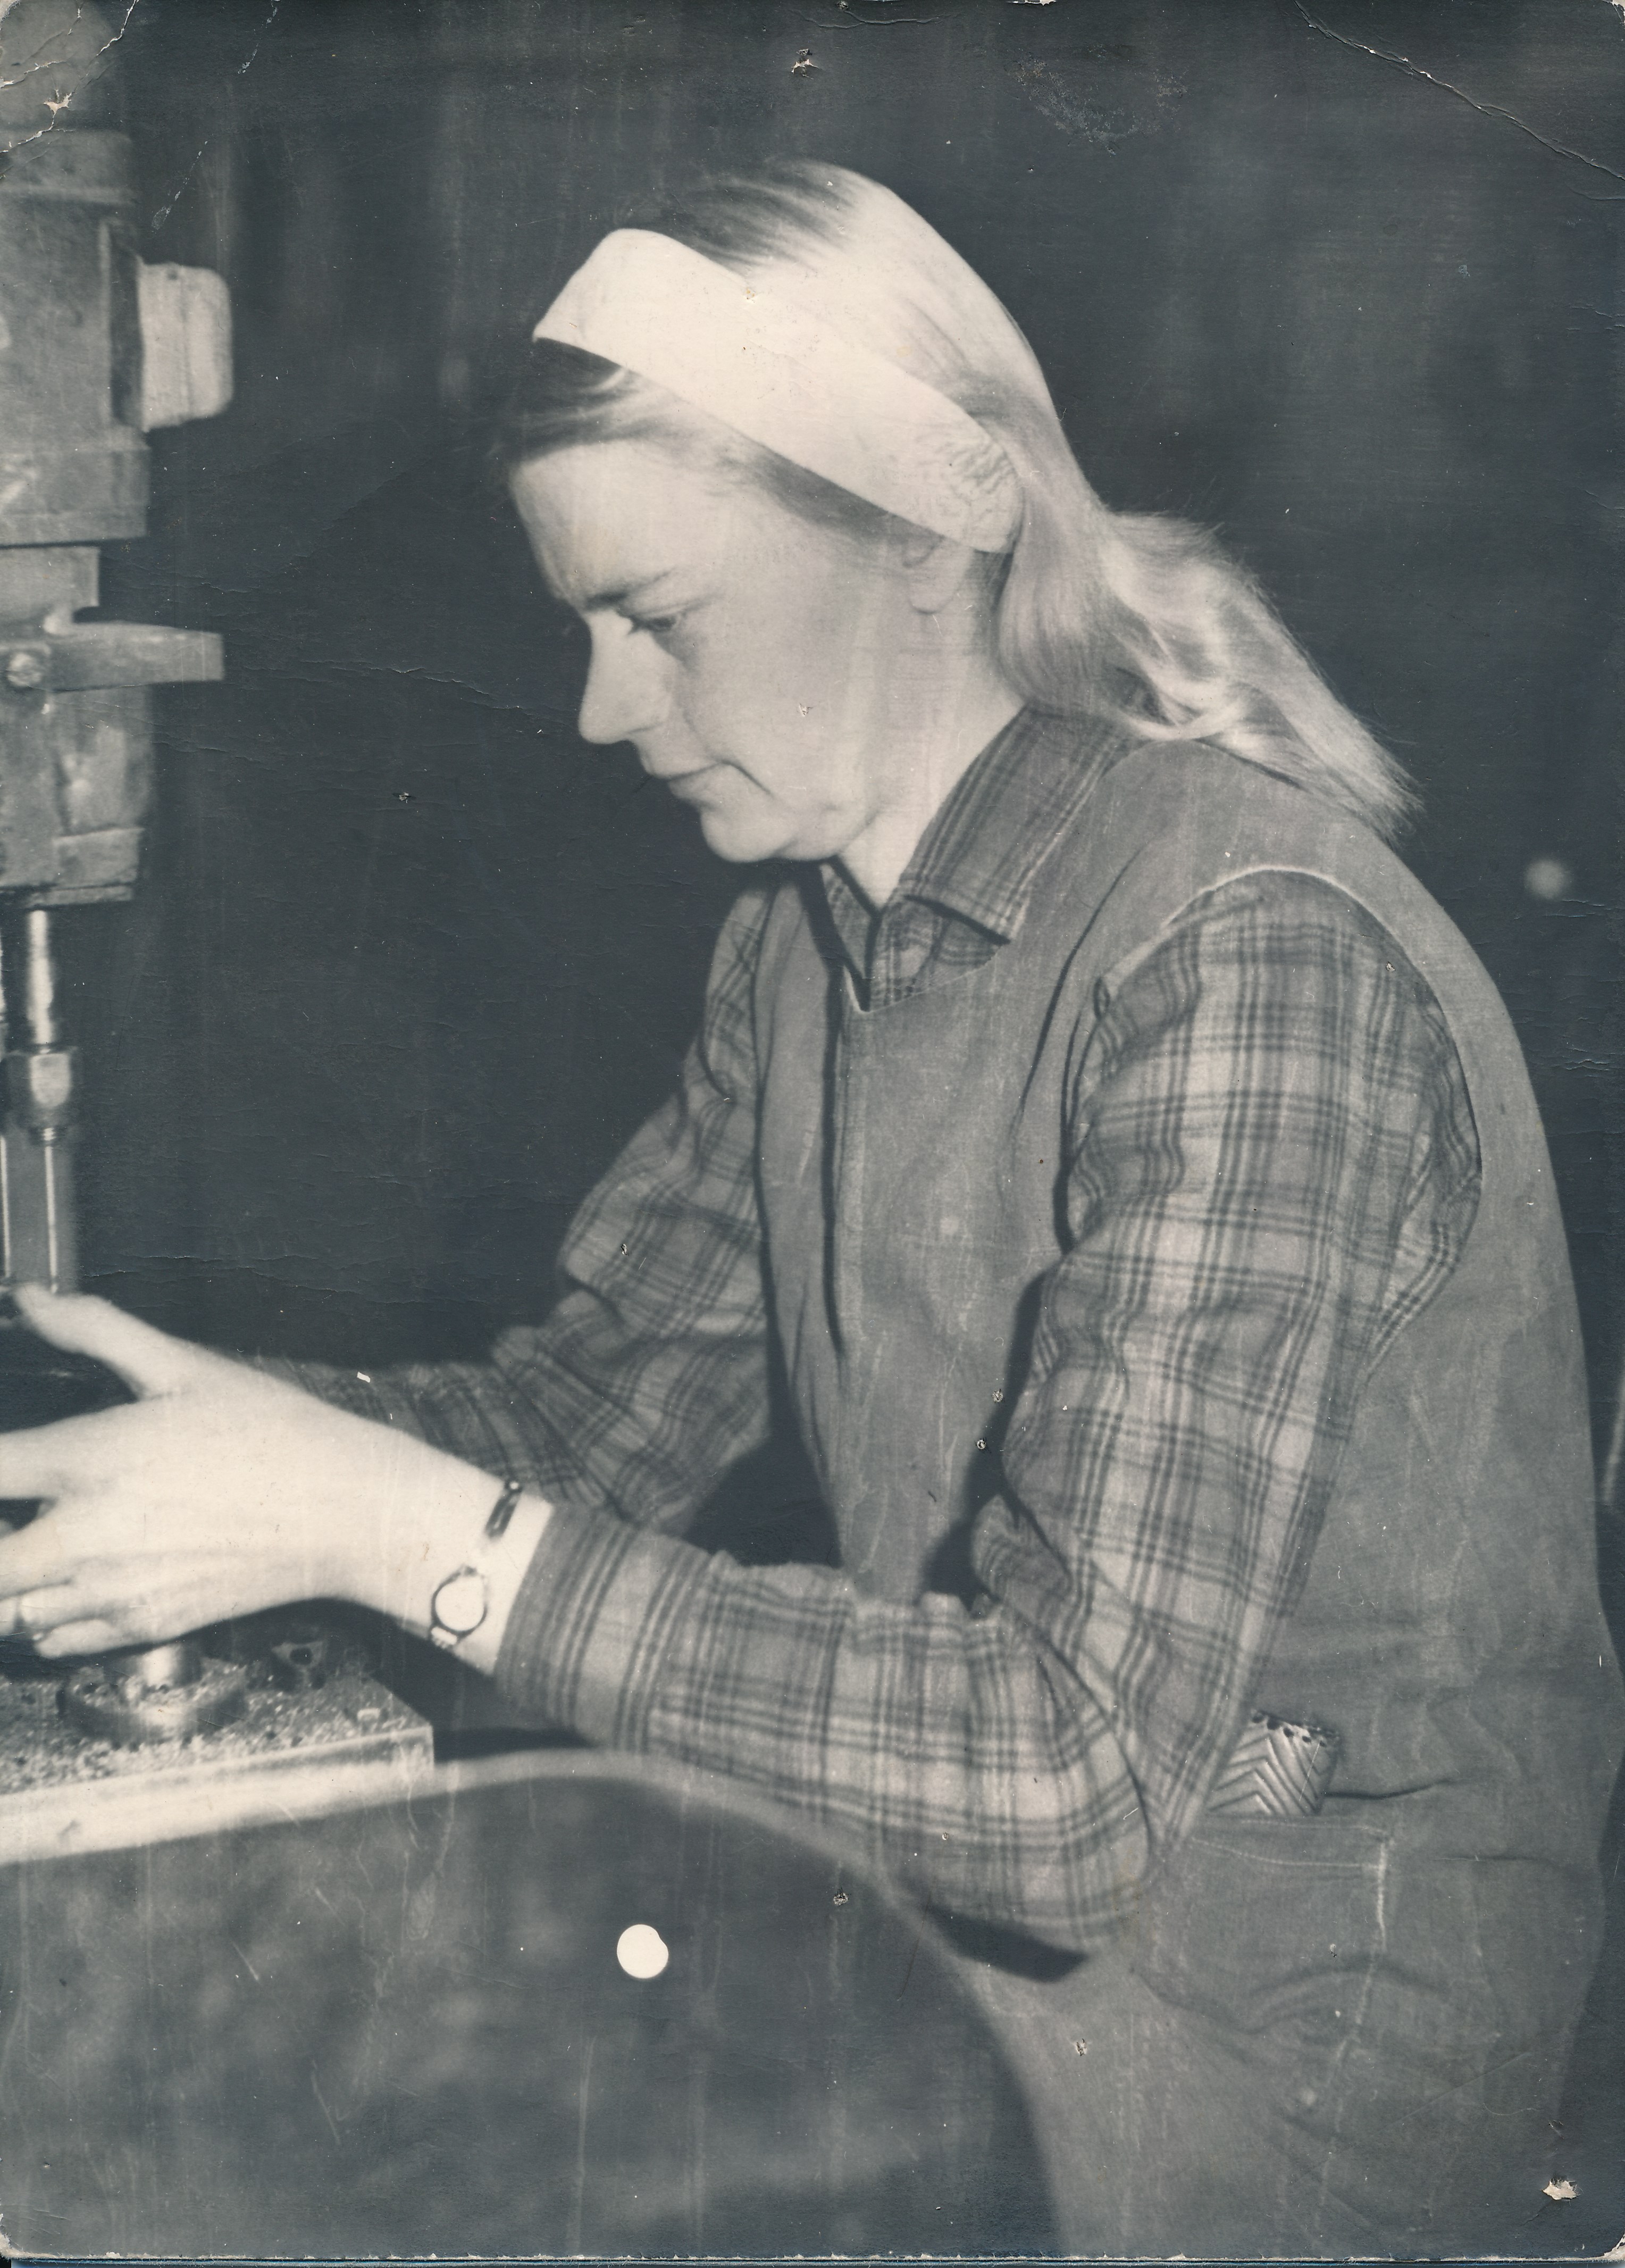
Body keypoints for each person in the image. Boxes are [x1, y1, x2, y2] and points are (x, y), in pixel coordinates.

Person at [0, 161, 1618, 2254]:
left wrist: (388, 1531)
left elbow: (1060, 1779)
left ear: (921, 539)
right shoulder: (804, 943)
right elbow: (584, 1433)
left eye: (657, 619)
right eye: (580, 625)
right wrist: (169, 1451)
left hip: (1287, 2057)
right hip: (978, 1950)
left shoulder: (1244, 946)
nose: (599, 708)